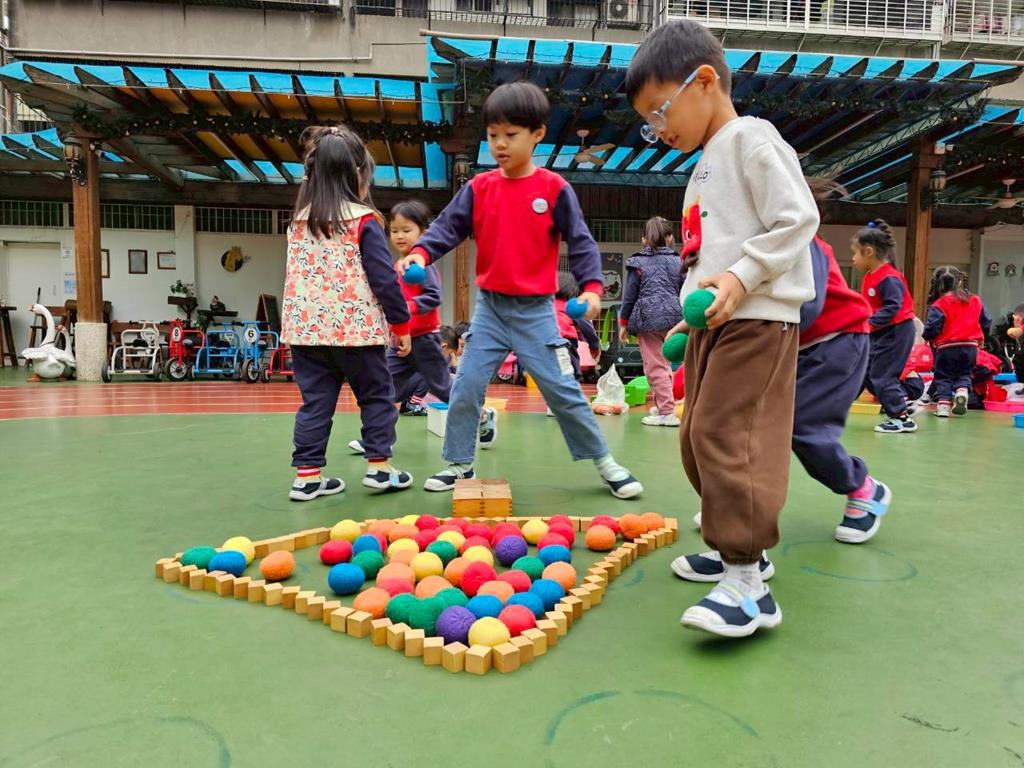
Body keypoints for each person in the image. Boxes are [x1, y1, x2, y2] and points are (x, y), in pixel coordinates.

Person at [625, 19, 817, 637]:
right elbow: (700, 255)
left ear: (704, 81)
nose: (658, 129)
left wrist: (741, 276)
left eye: (660, 110)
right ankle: (738, 548)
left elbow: (797, 219)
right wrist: (689, 316)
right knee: (693, 437)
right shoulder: (703, 165)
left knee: (727, 434)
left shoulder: (751, 139)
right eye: (649, 121)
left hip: (758, 318)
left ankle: (748, 586)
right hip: (718, 321)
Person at [398, 81, 643, 499]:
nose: (500, 143)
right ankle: (459, 463)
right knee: (465, 385)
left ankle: (605, 462)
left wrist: (591, 288)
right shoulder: (479, 188)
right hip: (490, 312)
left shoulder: (554, 189)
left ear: (537, 134)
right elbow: (446, 228)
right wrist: (420, 253)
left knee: (563, 390)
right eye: (493, 134)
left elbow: (581, 241)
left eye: (510, 134)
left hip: (537, 313)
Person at [281, 125, 414, 501]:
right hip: (356, 333)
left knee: (316, 402)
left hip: (306, 334)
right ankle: (379, 468)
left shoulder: (299, 221)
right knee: (376, 396)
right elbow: (384, 279)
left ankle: (307, 476)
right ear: (357, 174)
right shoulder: (363, 221)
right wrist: (401, 324)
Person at [852, 219, 918, 433]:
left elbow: (893, 307)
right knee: (867, 373)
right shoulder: (871, 276)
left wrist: (867, 324)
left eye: (855, 253)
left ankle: (902, 418)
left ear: (869, 252)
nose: (853, 258)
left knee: (882, 375)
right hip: (881, 333)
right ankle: (901, 402)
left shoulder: (889, 278)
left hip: (897, 332)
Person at [618, 216, 684, 427]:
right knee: (665, 364)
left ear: (644, 239)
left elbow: (629, 297)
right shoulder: (679, 261)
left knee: (654, 366)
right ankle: (664, 404)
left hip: (648, 319)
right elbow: (685, 290)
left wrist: (623, 323)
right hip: (675, 317)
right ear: (670, 237)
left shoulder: (638, 263)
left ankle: (667, 412)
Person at [922, 265, 991, 417]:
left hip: (946, 347)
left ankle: (943, 406)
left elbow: (933, 327)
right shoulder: (975, 300)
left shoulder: (939, 304)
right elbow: (986, 321)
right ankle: (962, 391)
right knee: (964, 373)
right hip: (970, 346)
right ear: (960, 281)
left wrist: (927, 337)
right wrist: (982, 337)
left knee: (943, 375)